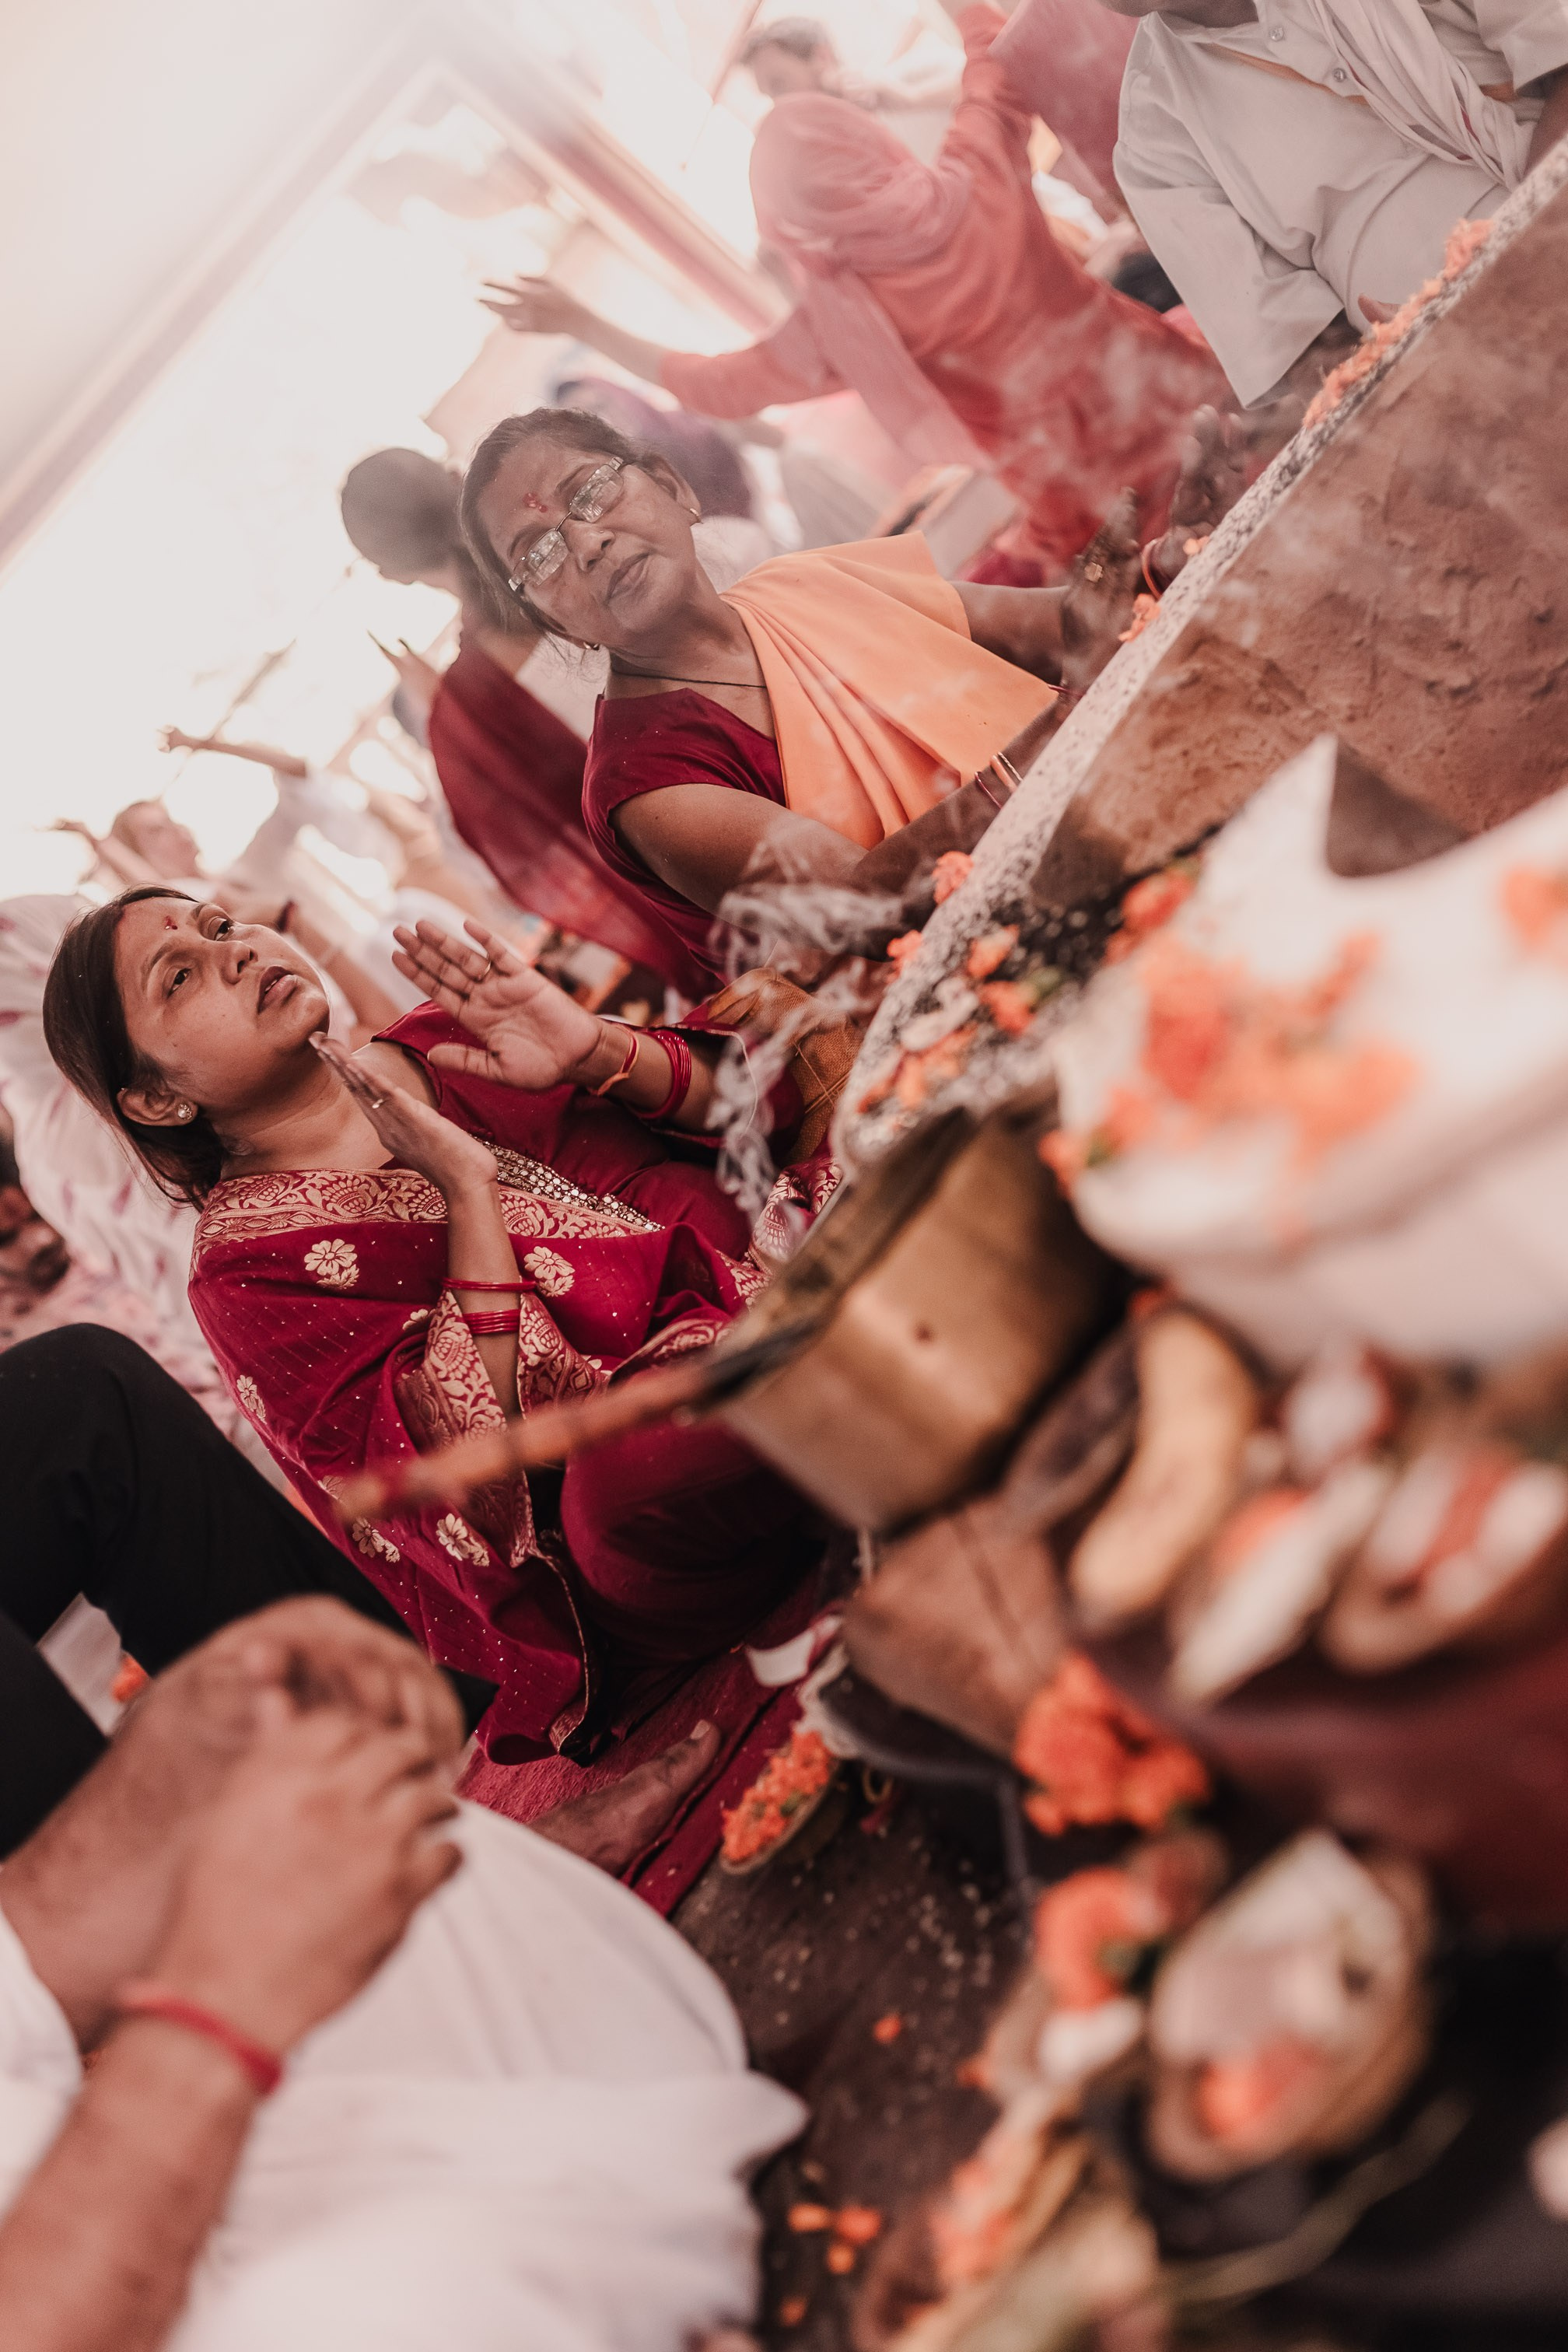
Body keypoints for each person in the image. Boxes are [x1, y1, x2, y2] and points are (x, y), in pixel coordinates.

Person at [40, 887, 831, 1781]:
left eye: (221, 925)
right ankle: (849, 1353)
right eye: (178, 976)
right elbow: (480, 1483)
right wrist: (466, 1193)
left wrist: (592, 1049)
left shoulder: (441, 1038)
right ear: (153, 1098)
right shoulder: (247, 1273)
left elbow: (762, 1112)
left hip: (785, 1245)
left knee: (856, 1107)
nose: (232, 951)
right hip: (650, 1490)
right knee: (630, 1478)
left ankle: (835, 1363)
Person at [0, 1595, 800, 2351]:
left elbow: (21, 1971)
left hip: (129, 2187)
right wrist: (215, 2015)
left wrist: (178, 1762)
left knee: (348, 1856)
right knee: (413, 2295)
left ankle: (602, 2260)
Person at [482, 5, 1230, 581]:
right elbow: (990, 53)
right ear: (857, 140)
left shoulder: (843, 322)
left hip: (1102, 522)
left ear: (790, 221)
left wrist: (583, 321)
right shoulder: (975, 178)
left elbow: (716, 385)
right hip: (1200, 412)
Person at [457, 406, 1167, 975]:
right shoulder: (641, 784)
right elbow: (870, 902)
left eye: (590, 492)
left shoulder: (804, 585)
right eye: (540, 554)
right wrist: (1074, 720)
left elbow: (1069, 629)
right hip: (997, 985)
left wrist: (1166, 560)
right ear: (554, 622)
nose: (586, 543)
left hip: (1133, 818)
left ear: (674, 488)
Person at [339, 447, 709, 998]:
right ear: (456, 477)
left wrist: (447, 716)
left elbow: (517, 875)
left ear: (392, 574)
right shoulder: (602, 552)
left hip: (706, 898)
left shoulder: (466, 709)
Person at [1103, 0, 1568, 411]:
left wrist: (1522, 267)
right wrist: (1396, 373)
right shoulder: (1152, 143)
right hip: (1463, 390)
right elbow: (1308, 358)